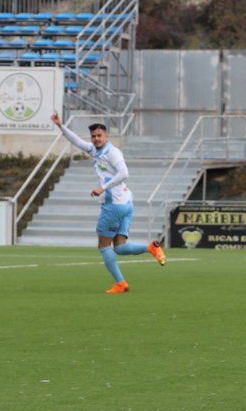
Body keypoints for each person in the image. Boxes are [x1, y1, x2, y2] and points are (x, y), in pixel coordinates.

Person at [51, 112, 167, 293]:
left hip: (114, 205)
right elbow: (75, 141)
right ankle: (151, 247)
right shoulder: (94, 150)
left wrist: (102, 187)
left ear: (107, 137)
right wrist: (60, 125)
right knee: (120, 247)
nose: (96, 139)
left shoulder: (112, 153)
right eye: (94, 136)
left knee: (103, 245)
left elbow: (124, 173)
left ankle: (121, 284)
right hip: (126, 201)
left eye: (99, 136)